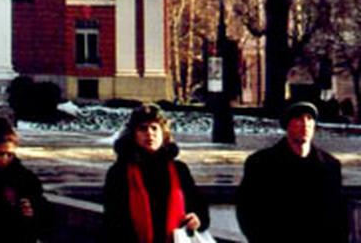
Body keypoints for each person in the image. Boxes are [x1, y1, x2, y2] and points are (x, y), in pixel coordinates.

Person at [236, 101, 347, 242]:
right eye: (298, 119)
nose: (305, 124)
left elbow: (338, 215)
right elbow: (248, 210)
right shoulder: (262, 164)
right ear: (287, 125)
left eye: (309, 118)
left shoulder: (330, 165)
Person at [102, 103, 209, 243]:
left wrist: (197, 218)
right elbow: (112, 220)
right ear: (133, 134)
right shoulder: (119, 172)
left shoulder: (179, 169)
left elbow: (198, 206)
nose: (149, 133)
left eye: (154, 128)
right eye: (143, 128)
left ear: (164, 134)